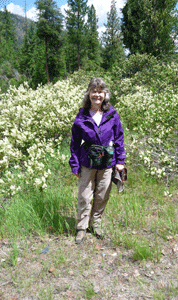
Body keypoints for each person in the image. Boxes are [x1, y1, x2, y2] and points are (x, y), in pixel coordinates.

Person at [69, 77, 126, 244]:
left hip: (108, 162)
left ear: (105, 94)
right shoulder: (82, 115)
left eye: (100, 91)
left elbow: (119, 138)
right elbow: (74, 142)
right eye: (94, 91)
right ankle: (81, 227)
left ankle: (96, 224)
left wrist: (120, 160)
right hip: (86, 161)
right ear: (89, 94)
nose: (97, 95)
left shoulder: (112, 114)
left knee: (102, 195)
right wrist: (75, 163)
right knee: (85, 196)